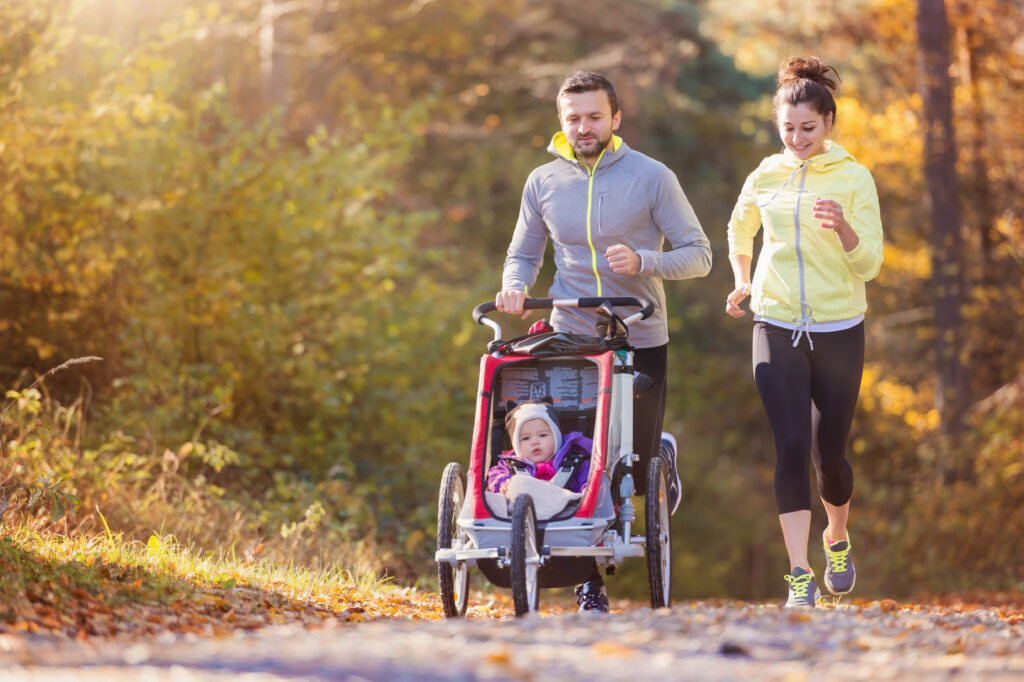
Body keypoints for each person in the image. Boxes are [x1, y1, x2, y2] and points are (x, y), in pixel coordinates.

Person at [495, 71, 712, 611]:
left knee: (632, 471)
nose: (583, 127)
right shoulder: (543, 181)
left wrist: (645, 262)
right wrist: (515, 287)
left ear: (616, 119)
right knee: (576, 459)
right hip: (571, 336)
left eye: (594, 117)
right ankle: (590, 582)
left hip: (638, 331)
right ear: (561, 122)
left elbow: (699, 254)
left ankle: (657, 451)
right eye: (573, 119)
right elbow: (523, 253)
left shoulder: (652, 177)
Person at [724, 56, 884, 608]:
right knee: (790, 445)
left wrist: (843, 229)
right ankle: (799, 574)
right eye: (788, 129)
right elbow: (738, 227)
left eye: (808, 129)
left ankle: (836, 536)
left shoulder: (855, 178)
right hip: (775, 321)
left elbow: (871, 267)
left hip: (840, 329)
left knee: (829, 457)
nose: (797, 139)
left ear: (829, 124)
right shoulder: (765, 174)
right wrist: (743, 280)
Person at [486, 400, 592, 496]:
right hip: (523, 512)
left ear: (557, 437)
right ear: (516, 445)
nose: (535, 442)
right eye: (526, 438)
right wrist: (504, 483)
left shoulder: (576, 462)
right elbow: (494, 476)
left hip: (569, 513)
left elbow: (588, 480)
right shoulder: (508, 465)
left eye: (543, 435)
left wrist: (586, 490)